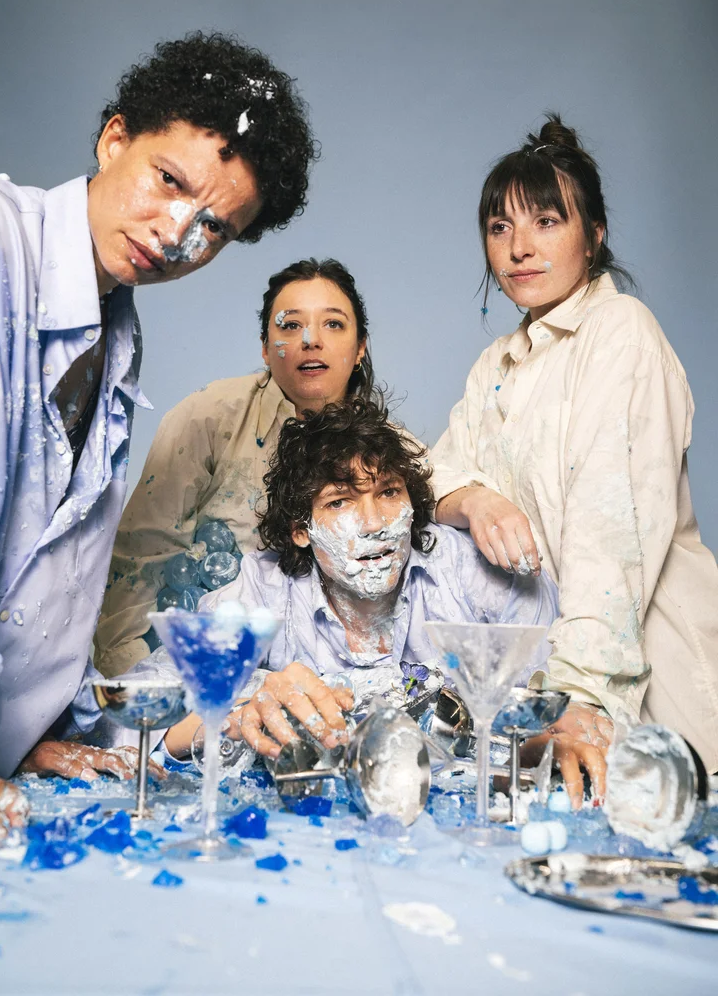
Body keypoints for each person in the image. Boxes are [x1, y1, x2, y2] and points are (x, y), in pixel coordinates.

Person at [0, 31, 316, 843]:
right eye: (168, 180)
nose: (177, 232)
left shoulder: (119, 331)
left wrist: (50, 725)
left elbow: (63, 568)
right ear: (115, 138)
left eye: (214, 226)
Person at [429, 114, 718, 805]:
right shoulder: (497, 363)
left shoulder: (620, 334)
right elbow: (431, 477)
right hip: (551, 696)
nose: (519, 248)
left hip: (644, 689)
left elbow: (609, 537)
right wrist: (477, 499)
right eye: (500, 229)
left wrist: (586, 700)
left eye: (546, 222)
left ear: (594, 235)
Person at [161, 397, 559, 761]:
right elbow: (144, 716)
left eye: (388, 493)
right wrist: (242, 711)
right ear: (301, 529)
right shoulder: (262, 590)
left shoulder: (469, 571)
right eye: (339, 501)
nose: (374, 524)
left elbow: (560, 691)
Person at [94, 258, 377, 677]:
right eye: (290, 324)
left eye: (333, 324)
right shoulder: (208, 418)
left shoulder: (388, 455)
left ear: (359, 348)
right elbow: (138, 566)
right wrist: (146, 709)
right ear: (265, 347)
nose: (311, 340)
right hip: (194, 679)